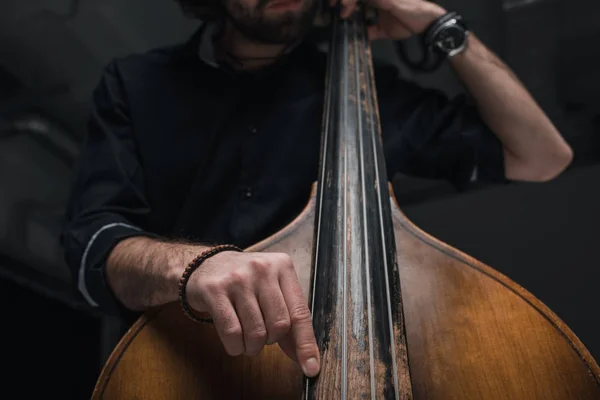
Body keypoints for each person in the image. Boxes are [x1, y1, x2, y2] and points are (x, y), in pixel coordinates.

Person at [61, 0, 573, 379]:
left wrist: (441, 26)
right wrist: (193, 266)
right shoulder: (136, 84)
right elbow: (94, 240)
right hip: (184, 372)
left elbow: (542, 157)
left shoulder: (375, 94)